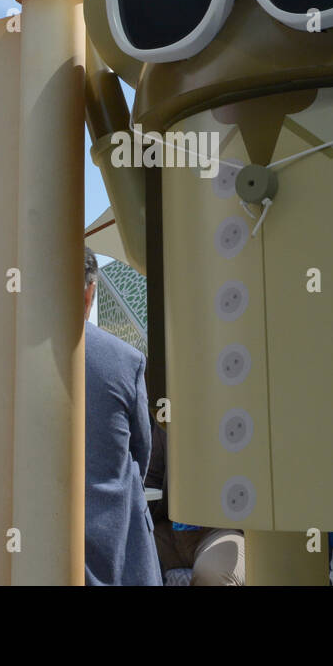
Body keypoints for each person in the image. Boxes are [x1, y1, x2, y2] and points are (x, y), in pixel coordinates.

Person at [82, 247, 161, 586]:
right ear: (90, 292)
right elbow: (141, 453)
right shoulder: (124, 360)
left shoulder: (5, 354)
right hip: (116, 552)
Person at [146, 422, 245, 585]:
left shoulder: (235, 413)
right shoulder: (166, 417)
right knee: (118, 553)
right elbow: (152, 480)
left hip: (222, 531)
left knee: (213, 574)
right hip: (170, 531)